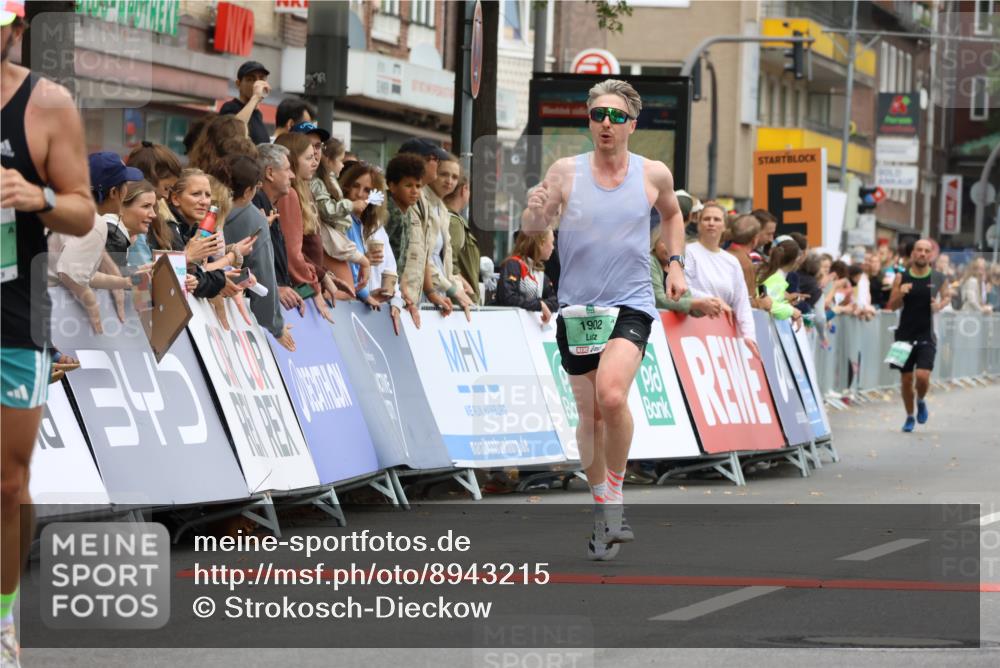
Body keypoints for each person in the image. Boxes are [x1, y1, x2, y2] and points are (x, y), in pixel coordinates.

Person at [521, 79, 687, 560]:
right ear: (589, 122)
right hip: (578, 308)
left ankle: (614, 493)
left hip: (631, 302)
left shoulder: (652, 174)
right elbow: (535, 233)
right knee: (590, 413)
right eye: (598, 116)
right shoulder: (565, 172)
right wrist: (533, 213)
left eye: (616, 116)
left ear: (632, 124)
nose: (606, 124)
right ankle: (603, 511)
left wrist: (675, 265)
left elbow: (673, 217)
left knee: (613, 395)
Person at [1, 3, 97, 662]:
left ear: (14, 29)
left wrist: (40, 199)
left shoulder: (47, 103)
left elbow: (86, 212)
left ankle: (3, 615)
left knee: (8, 483)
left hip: (11, 311)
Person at [209, 154, 294, 350]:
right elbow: (264, 273)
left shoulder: (200, 201)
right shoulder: (254, 218)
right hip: (220, 309)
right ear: (248, 191)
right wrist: (276, 326)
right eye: (257, 188)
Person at [885, 239, 951, 433]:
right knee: (906, 379)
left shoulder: (938, 277)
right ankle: (909, 416)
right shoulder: (901, 277)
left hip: (927, 335)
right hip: (903, 335)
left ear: (931, 255)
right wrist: (900, 293)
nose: (922, 254)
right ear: (913, 253)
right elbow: (893, 305)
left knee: (922, 376)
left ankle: (921, 399)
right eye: (919, 250)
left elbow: (947, 296)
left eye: (926, 251)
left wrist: (939, 305)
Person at [273, 132, 336, 322]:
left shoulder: (302, 192)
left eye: (316, 155)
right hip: (292, 290)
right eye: (308, 158)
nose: (315, 161)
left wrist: (321, 275)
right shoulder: (289, 194)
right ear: (291, 161)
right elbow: (293, 253)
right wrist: (314, 287)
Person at [683, 201, 757, 352]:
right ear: (699, 224)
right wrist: (714, 302)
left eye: (717, 220)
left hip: (724, 336)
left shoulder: (731, 261)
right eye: (706, 219)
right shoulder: (688, 252)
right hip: (692, 331)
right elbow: (684, 288)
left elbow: (741, 302)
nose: (711, 223)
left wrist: (749, 335)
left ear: (724, 226)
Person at [256, 142, 305, 317]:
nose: (292, 175)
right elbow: (245, 263)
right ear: (270, 173)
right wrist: (275, 289)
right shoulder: (254, 209)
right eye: (287, 169)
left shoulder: (269, 207)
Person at [425, 153, 476, 304]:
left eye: (455, 177)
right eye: (444, 174)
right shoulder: (423, 204)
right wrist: (454, 290)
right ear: (434, 173)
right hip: (424, 293)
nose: (449, 181)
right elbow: (423, 259)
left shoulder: (442, 208)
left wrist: (458, 287)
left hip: (440, 294)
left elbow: (446, 263)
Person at [493, 229, 558, 320]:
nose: (553, 247)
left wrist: (539, 304)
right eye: (551, 242)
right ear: (541, 243)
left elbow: (554, 302)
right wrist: (539, 305)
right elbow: (508, 298)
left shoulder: (539, 271)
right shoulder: (513, 264)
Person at [444, 172, 481, 303]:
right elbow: (450, 264)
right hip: (459, 302)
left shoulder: (451, 219)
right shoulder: (453, 222)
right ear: (464, 189)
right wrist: (469, 291)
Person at [726, 213, 771, 311]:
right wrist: (761, 303)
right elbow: (744, 300)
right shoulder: (744, 263)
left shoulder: (724, 255)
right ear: (755, 239)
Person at [218, 60, 271, 145]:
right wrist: (256, 97)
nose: (257, 84)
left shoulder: (258, 114)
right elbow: (234, 131)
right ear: (238, 84)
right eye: (250, 79)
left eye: (261, 79)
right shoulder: (230, 107)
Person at [757, 238, 803, 325]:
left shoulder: (772, 273)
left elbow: (771, 300)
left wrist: (786, 303)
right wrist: (792, 311)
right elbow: (766, 303)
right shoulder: (777, 278)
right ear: (795, 261)